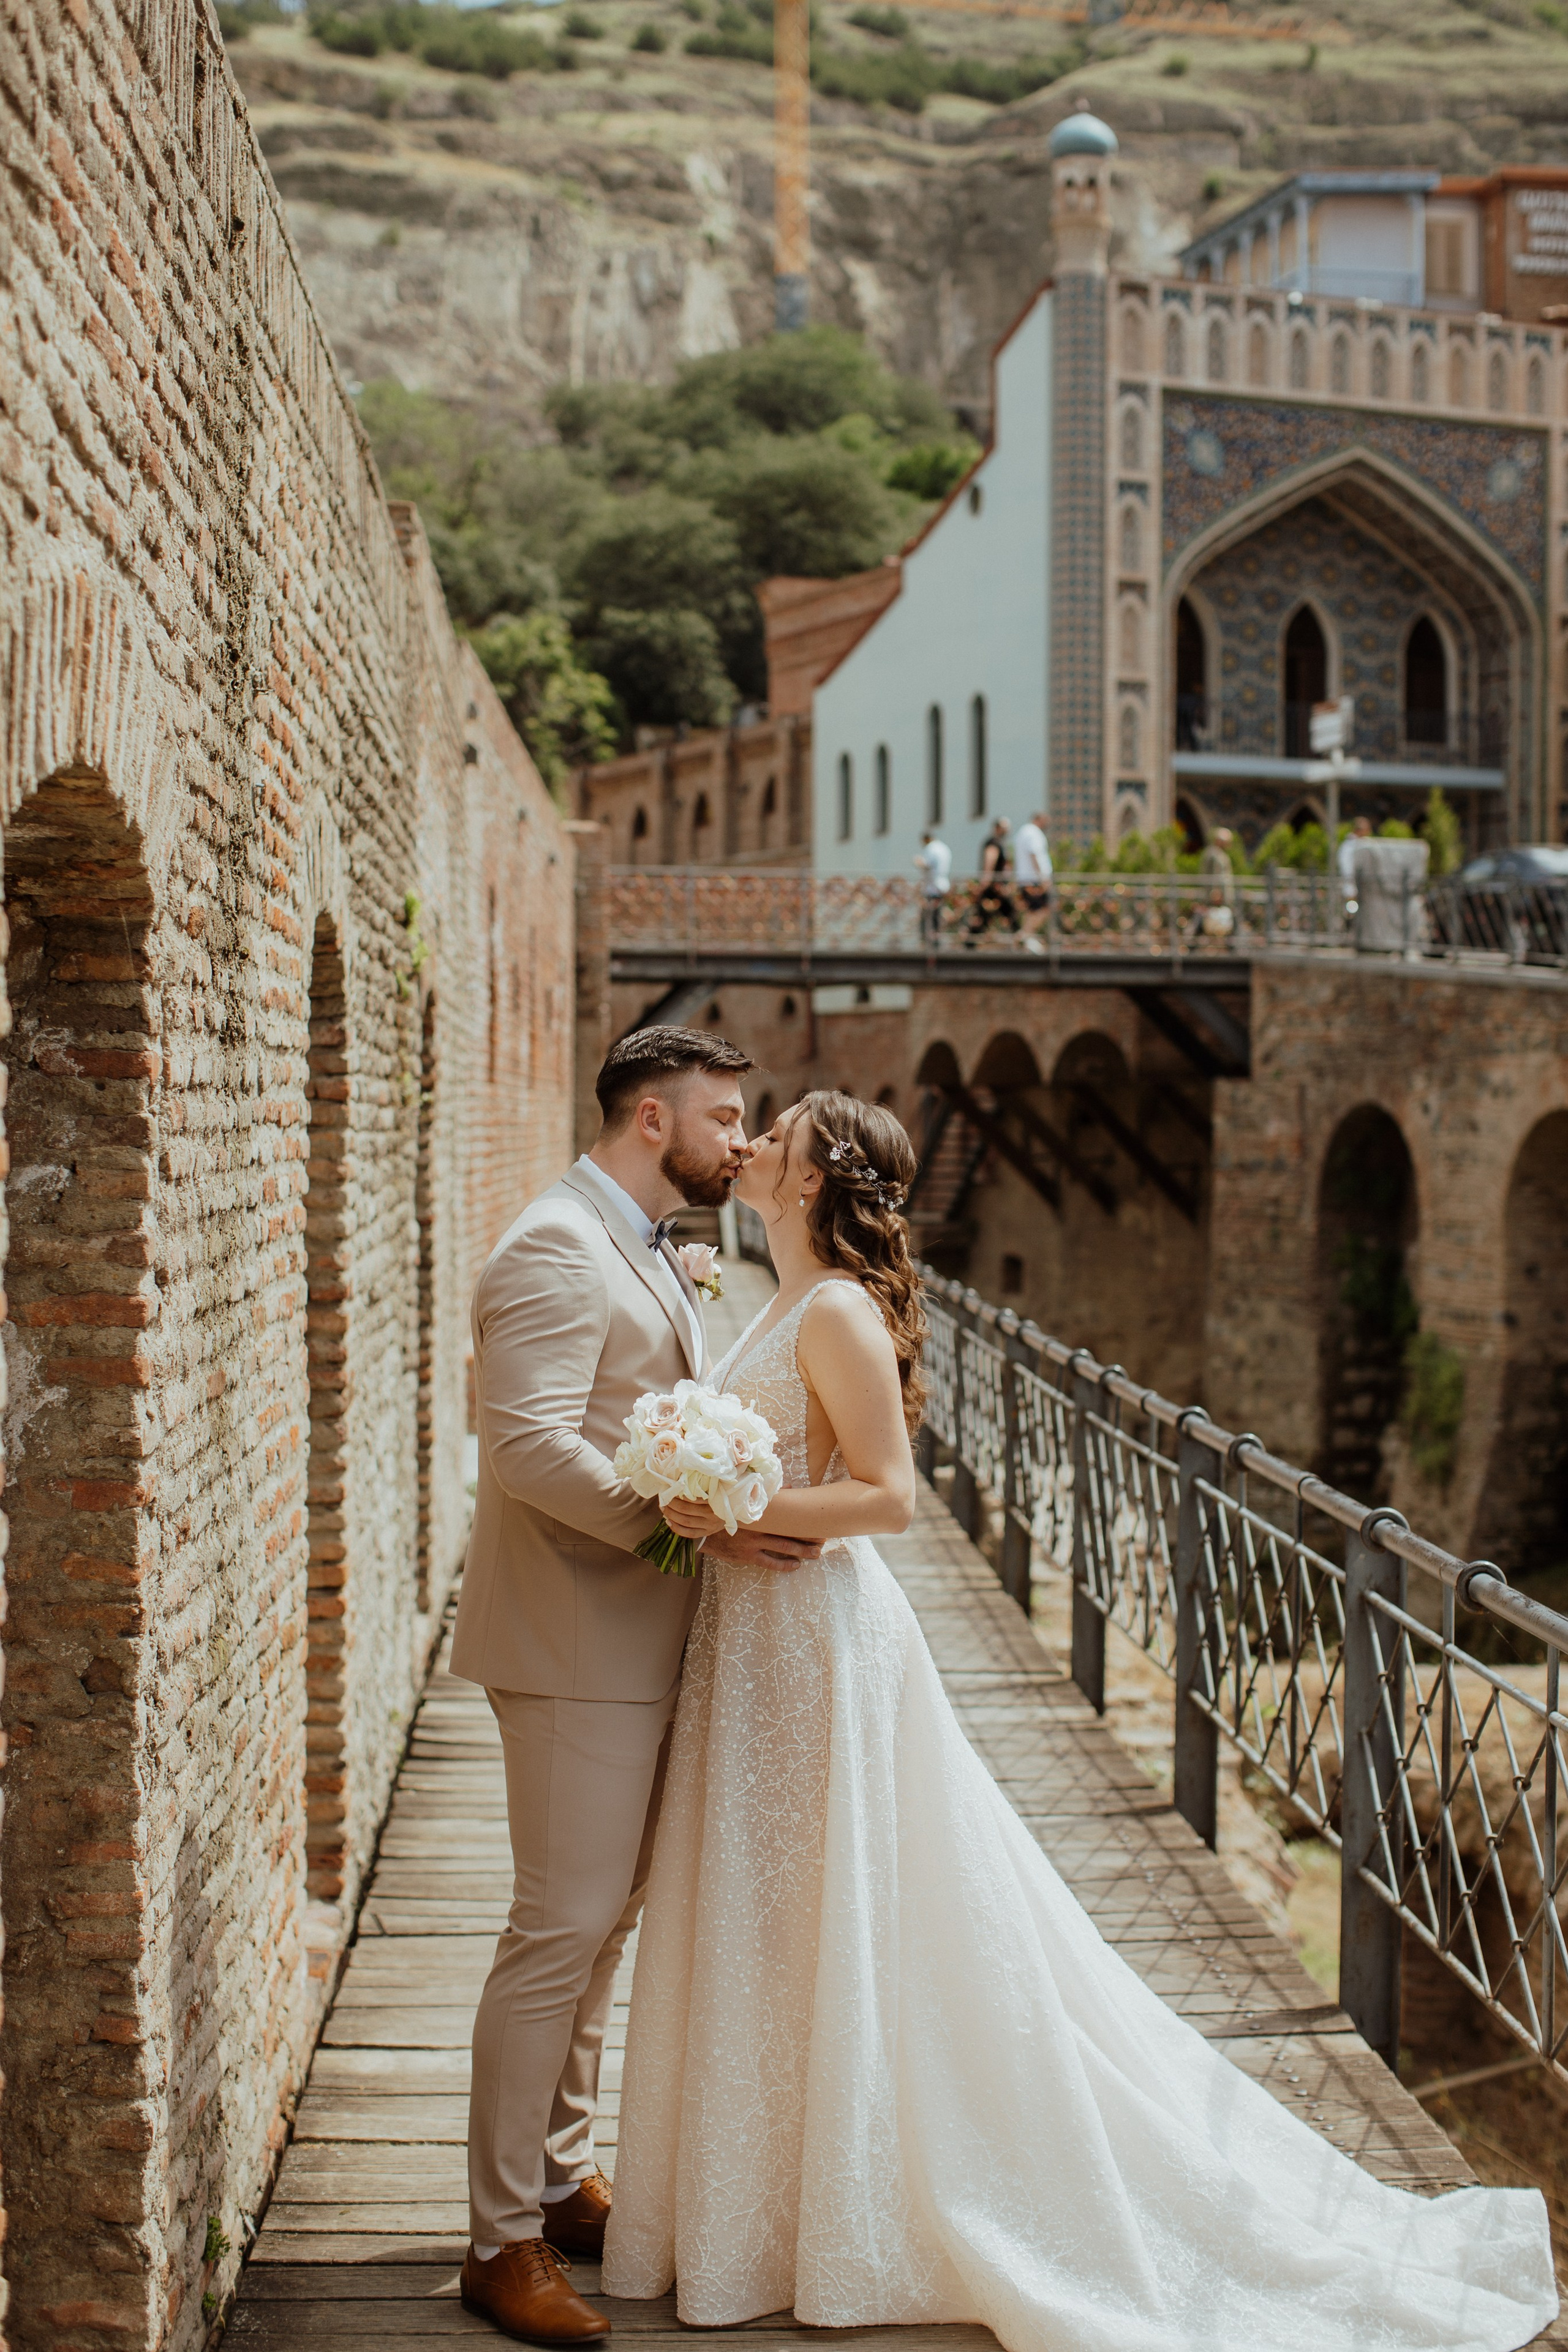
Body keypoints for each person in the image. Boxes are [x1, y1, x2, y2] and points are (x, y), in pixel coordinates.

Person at [603, 1091, 1556, 2352]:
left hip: (815, 1639)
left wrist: (731, 1511)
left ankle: (829, 2206)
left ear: (815, 1178)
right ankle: (760, 2204)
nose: (750, 1145)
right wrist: (699, 1498)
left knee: (831, 1906)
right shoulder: (772, 1299)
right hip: (752, 1639)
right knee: (775, 1916)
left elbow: (885, 1501)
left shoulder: (830, 1308)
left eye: (771, 1135)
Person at [453, 1026, 822, 2346]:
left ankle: (554, 2180)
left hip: (637, 1636)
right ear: (652, 1120)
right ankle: (496, 2240)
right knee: (556, 1929)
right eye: (726, 1118)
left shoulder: (642, 1242)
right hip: (569, 1643)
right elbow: (530, 1448)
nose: (742, 1139)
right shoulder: (553, 1244)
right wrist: (697, 1526)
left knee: (601, 1925)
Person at [965, 813, 1019, 939]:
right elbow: (990, 861)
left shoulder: (1001, 843)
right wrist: (986, 881)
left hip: (997, 887)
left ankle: (971, 943)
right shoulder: (994, 843)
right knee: (987, 915)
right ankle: (970, 944)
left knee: (989, 915)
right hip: (994, 888)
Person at [1014, 809, 1052, 952]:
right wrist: (1043, 878)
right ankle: (1024, 936)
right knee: (1043, 909)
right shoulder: (1033, 833)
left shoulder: (1024, 832)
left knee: (1033, 911)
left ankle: (1026, 938)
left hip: (1027, 879)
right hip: (1034, 880)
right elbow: (1034, 854)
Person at [913, 827, 951, 948]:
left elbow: (928, 865)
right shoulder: (944, 848)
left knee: (930, 917)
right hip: (942, 885)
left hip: (933, 887)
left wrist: (918, 862)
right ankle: (935, 941)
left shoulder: (931, 848)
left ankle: (931, 944)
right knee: (936, 916)